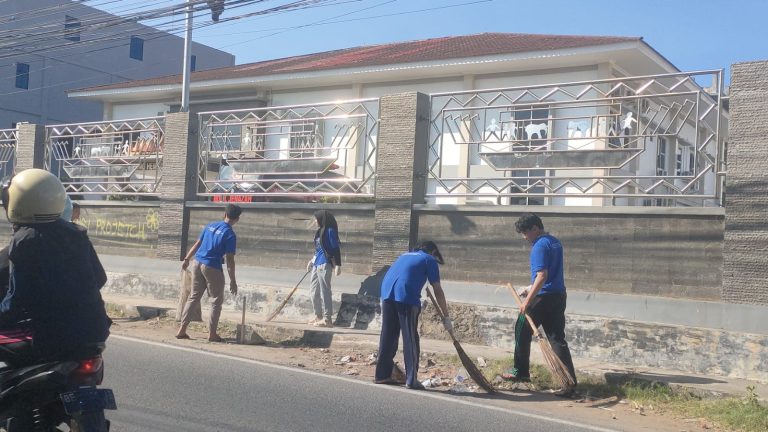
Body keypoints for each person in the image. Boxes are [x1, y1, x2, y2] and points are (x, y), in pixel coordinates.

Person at [0, 169, 110, 367]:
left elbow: (16, 301)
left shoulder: (24, 239)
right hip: (96, 331)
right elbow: (100, 278)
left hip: (53, 336)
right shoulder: (76, 233)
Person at [503, 213, 577, 396]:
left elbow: (542, 276)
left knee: (521, 326)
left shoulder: (539, 246)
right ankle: (570, 382)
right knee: (556, 338)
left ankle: (520, 371)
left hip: (543, 298)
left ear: (535, 228)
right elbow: (550, 274)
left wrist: (527, 301)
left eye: (525, 233)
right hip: (558, 295)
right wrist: (529, 288)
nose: (524, 237)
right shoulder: (555, 242)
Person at [374, 241, 451, 390]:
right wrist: (446, 317)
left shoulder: (404, 255)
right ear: (433, 252)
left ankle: (382, 375)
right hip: (406, 296)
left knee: (388, 336)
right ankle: (411, 379)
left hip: (386, 293)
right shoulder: (429, 259)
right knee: (410, 338)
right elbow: (438, 289)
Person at [176, 204, 242, 342]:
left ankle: (182, 330)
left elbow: (197, 243)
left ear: (225, 214)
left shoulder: (210, 225)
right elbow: (230, 260)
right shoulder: (230, 234)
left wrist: (187, 258)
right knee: (216, 301)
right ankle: (212, 334)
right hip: (212, 266)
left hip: (197, 262)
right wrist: (233, 281)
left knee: (194, 297)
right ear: (237, 219)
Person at [306, 210, 341, 328]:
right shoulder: (319, 232)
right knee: (313, 291)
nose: (315, 221)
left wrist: (338, 265)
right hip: (316, 264)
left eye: (316, 219)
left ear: (321, 219)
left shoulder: (330, 231)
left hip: (325, 264)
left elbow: (335, 248)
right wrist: (312, 260)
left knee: (325, 291)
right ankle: (318, 316)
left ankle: (327, 320)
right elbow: (318, 249)